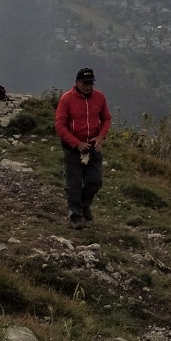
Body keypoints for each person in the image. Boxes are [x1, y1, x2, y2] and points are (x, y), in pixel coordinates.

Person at [54, 67, 112, 229]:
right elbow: (60, 126)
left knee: (96, 181)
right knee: (73, 183)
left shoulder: (99, 97)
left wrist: (101, 137)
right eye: (85, 83)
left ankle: (84, 204)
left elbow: (106, 118)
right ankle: (75, 215)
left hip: (92, 147)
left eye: (91, 83)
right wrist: (76, 144)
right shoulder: (66, 99)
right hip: (73, 148)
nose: (88, 86)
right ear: (77, 82)